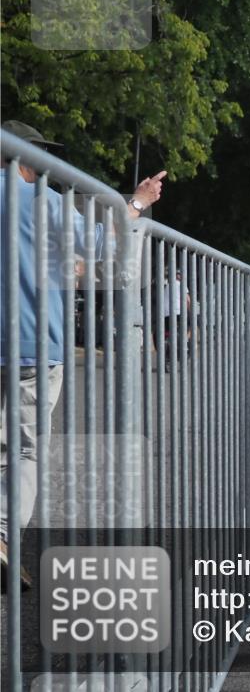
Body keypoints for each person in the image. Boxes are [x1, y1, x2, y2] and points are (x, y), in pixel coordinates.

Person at [0, 120, 164, 589]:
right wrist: (138, 202)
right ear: (27, 159)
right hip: (34, 341)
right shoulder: (43, 200)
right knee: (23, 447)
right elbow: (101, 244)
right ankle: (3, 535)